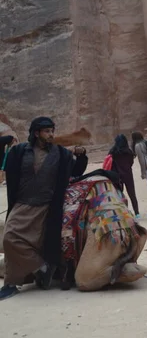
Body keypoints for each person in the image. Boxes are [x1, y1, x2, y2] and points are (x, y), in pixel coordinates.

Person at [0, 117, 88, 300]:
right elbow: (8, 168)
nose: (50, 134)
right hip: (22, 204)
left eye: (52, 131)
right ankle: (42, 268)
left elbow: (77, 171)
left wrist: (81, 154)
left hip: (45, 206)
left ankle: (12, 282)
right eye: (46, 131)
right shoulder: (19, 151)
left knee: (35, 242)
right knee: (9, 239)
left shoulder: (61, 154)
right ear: (36, 133)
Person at [109, 134, 139, 218]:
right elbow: (131, 163)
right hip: (128, 174)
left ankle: (122, 213)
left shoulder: (113, 152)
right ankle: (137, 213)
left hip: (116, 175)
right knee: (132, 194)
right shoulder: (129, 152)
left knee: (118, 195)